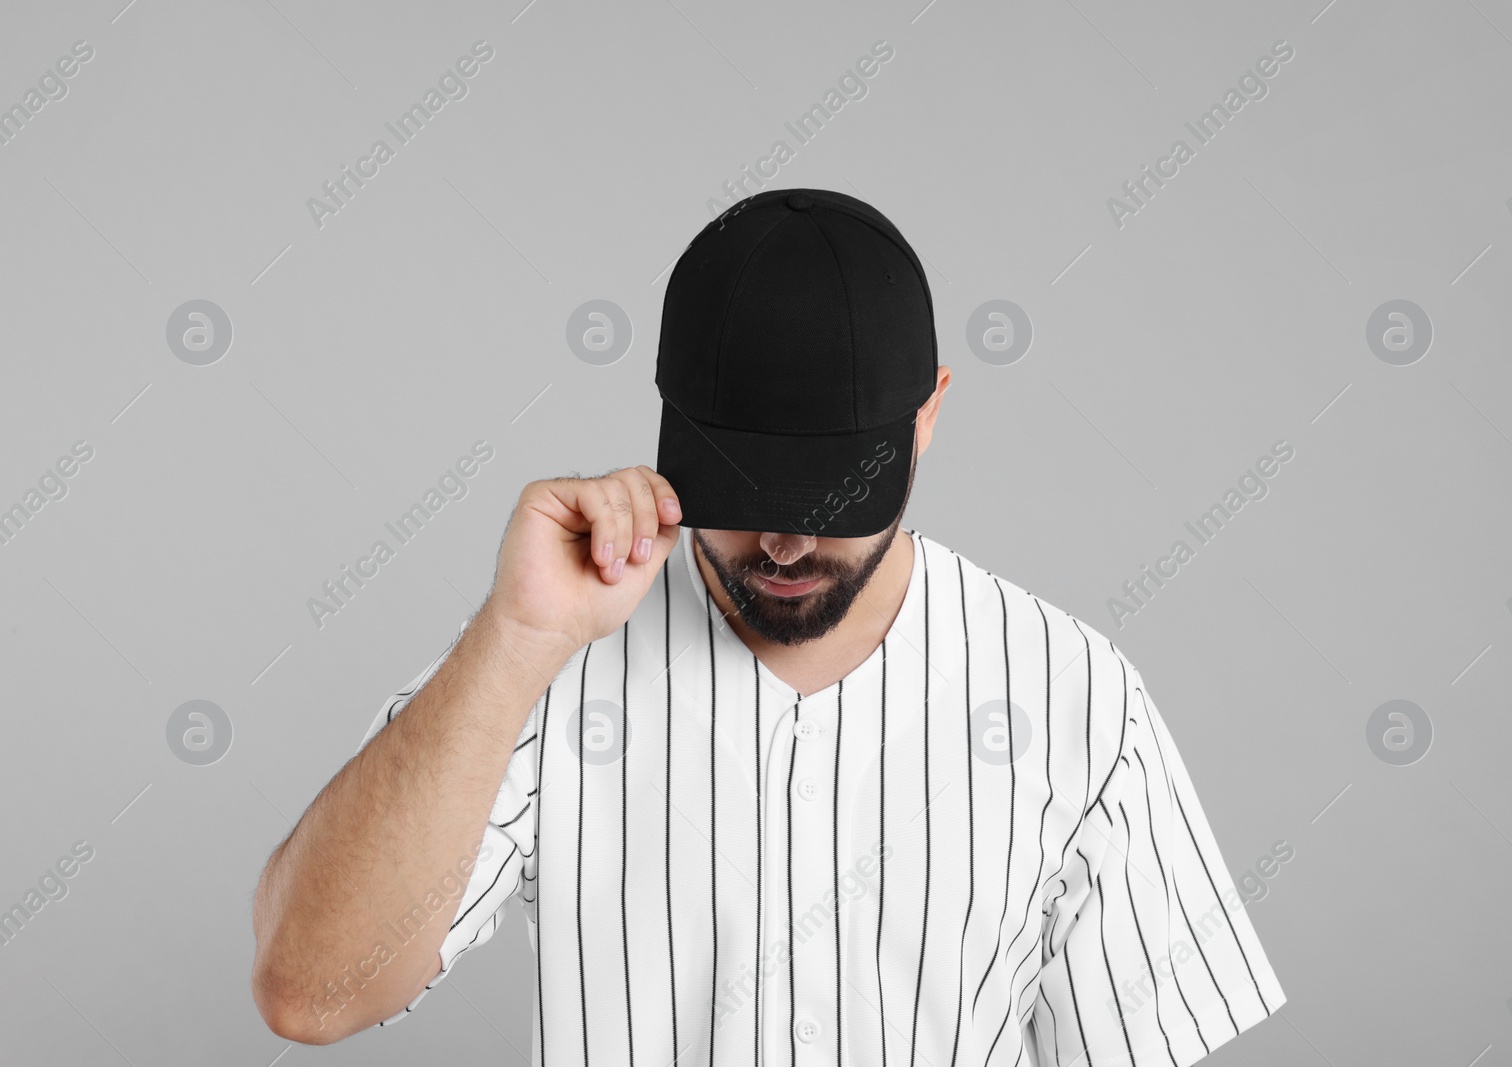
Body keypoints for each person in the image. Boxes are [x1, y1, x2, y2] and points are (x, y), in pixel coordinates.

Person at [250, 188, 1285, 1066]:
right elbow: (311, 991)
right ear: (673, 424)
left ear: (927, 414)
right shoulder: (553, 657)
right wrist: (518, 634)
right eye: (745, 481)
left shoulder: (1074, 693)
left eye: (832, 489)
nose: (786, 539)